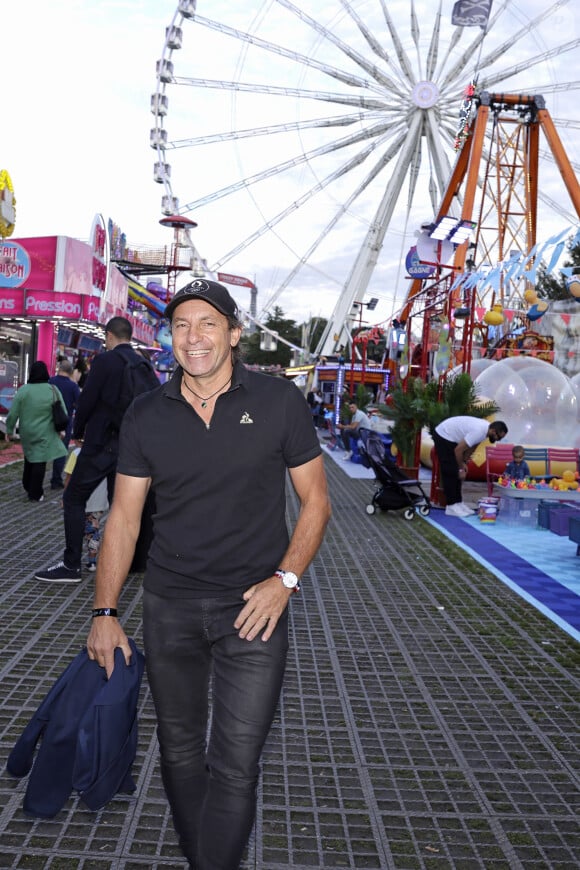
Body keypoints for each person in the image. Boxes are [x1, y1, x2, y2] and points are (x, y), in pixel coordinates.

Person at [86, 279, 331, 870]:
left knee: (235, 763)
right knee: (179, 752)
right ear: (170, 337)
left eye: (209, 324)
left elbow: (317, 501)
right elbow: (123, 516)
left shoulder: (277, 403)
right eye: (182, 326)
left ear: (234, 333)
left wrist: (286, 581)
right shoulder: (147, 414)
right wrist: (104, 612)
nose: (193, 338)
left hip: (253, 607)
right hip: (169, 605)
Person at [35, 317, 156, 583]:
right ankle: (132, 563)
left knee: (74, 498)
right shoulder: (144, 363)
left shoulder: (105, 361)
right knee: (123, 506)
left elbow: (88, 399)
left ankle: (71, 565)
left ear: (109, 336)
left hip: (101, 444)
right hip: (132, 448)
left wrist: (77, 432)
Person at [5, 361, 68, 502]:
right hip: (45, 432)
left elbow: (13, 413)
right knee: (40, 461)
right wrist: (62, 430)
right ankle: (35, 492)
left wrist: (9, 430)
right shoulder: (53, 389)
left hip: (27, 432)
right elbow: (63, 411)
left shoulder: (23, 390)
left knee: (30, 457)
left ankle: (27, 484)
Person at [433, 416, 508, 517]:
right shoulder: (480, 431)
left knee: (457, 471)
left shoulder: (486, 431)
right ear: (493, 431)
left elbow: (472, 446)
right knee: (450, 470)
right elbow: (458, 450)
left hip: (451, 437)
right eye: (498, 437)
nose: (498, 440)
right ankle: (451, 506)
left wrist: (464, 463)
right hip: (444, 435)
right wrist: (460, 469)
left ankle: (458, 503)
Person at [62, 446, 109, 572]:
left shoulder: (77, 453)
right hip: (100, 497)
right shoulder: (106, 452)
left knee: (76, 528)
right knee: (93, 529)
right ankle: (92, 561)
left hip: (80, 497)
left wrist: (65, 496)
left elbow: (69, 477)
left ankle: (74, 558)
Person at [49, 359, 81, 489]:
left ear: (59, 368)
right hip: (65, 422)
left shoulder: (50, 382)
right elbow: (79, 404)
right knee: (61, 452)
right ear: (71, 372)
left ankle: (35, 480)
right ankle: (56, 480)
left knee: (43, 450)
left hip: (49, 420)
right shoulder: (73, 386)